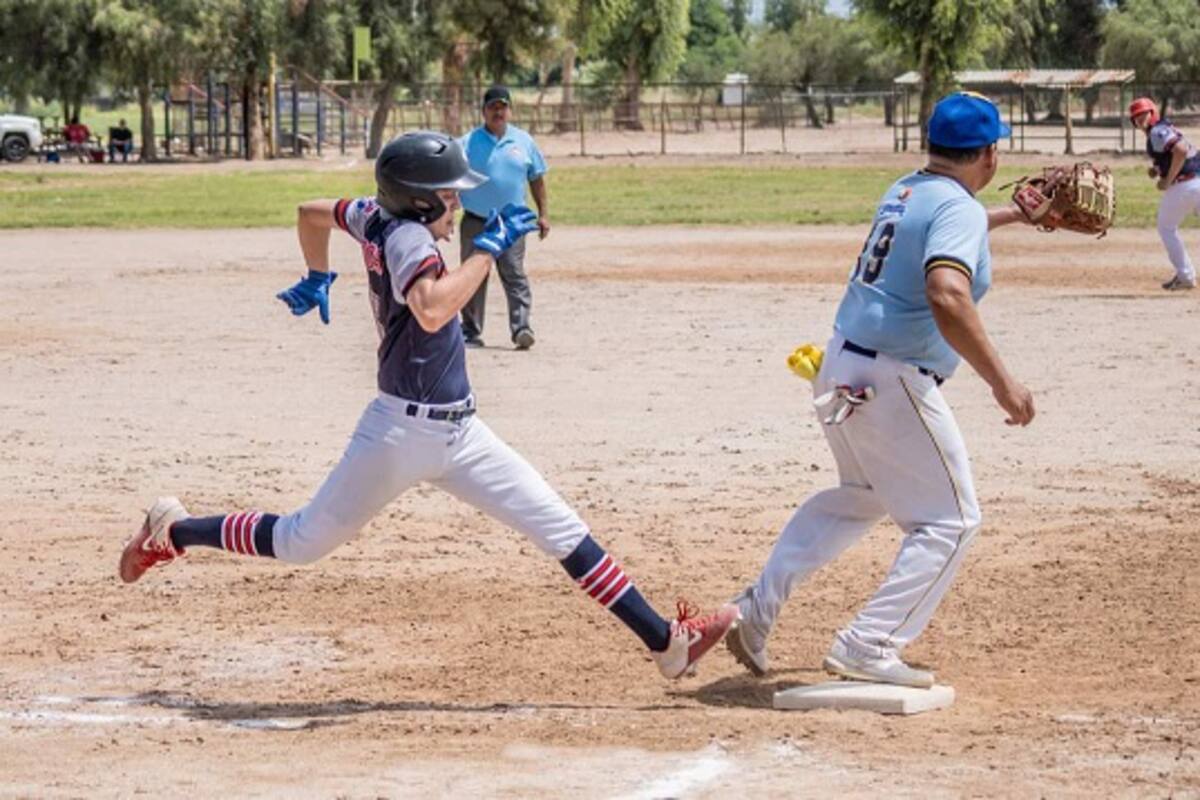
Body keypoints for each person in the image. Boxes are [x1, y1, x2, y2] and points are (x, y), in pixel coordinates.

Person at [119, 130, 736, 682]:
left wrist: (317, 273)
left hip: (462, 433)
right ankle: (174, 531)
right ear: (417, 201)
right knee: (300, 541)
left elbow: (311, 213)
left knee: (562, 529)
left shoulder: (373, 212)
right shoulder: (410, 237)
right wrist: (487, 251)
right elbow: (433, 308)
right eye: (448, 195)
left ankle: (667, 644)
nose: (457, 204)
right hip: (399, 436)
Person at [724, 93, 1036, 688]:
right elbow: (947, 293)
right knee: (951, 522)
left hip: (843, 363)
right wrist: (1004, 383)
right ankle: (869, 644)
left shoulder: (907, 190)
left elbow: (941, 228)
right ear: (990, 155)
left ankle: (754, 610)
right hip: (892, 380)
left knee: (861, 496)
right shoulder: (959, 210)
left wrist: (1013, 216)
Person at [458, 86, 550, 350]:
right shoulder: (467, 142)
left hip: (512, 222)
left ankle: (521, 328)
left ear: (510, 110)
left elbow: (537, 179)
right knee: (472, 275)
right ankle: (471, 331)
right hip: (476, 220)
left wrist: (543, 214)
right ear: (483, 111)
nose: (498, 112)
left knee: (514, 272)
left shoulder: (524, 141)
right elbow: (452, 178)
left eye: (502, 107)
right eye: (492, 107)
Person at [1129, 97, 1200, 291]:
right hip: (1196, 180)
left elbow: (1181, 151)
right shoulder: (1163, 129)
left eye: (1143, 114)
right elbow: (1174, 154)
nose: (1140, 118)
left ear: (1153, 113)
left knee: (1166, 227)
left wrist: (1168, 180)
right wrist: (1158, 170)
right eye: (1136, 116)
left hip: (1185, 186)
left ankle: (1185, 276)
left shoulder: (1157, 131)